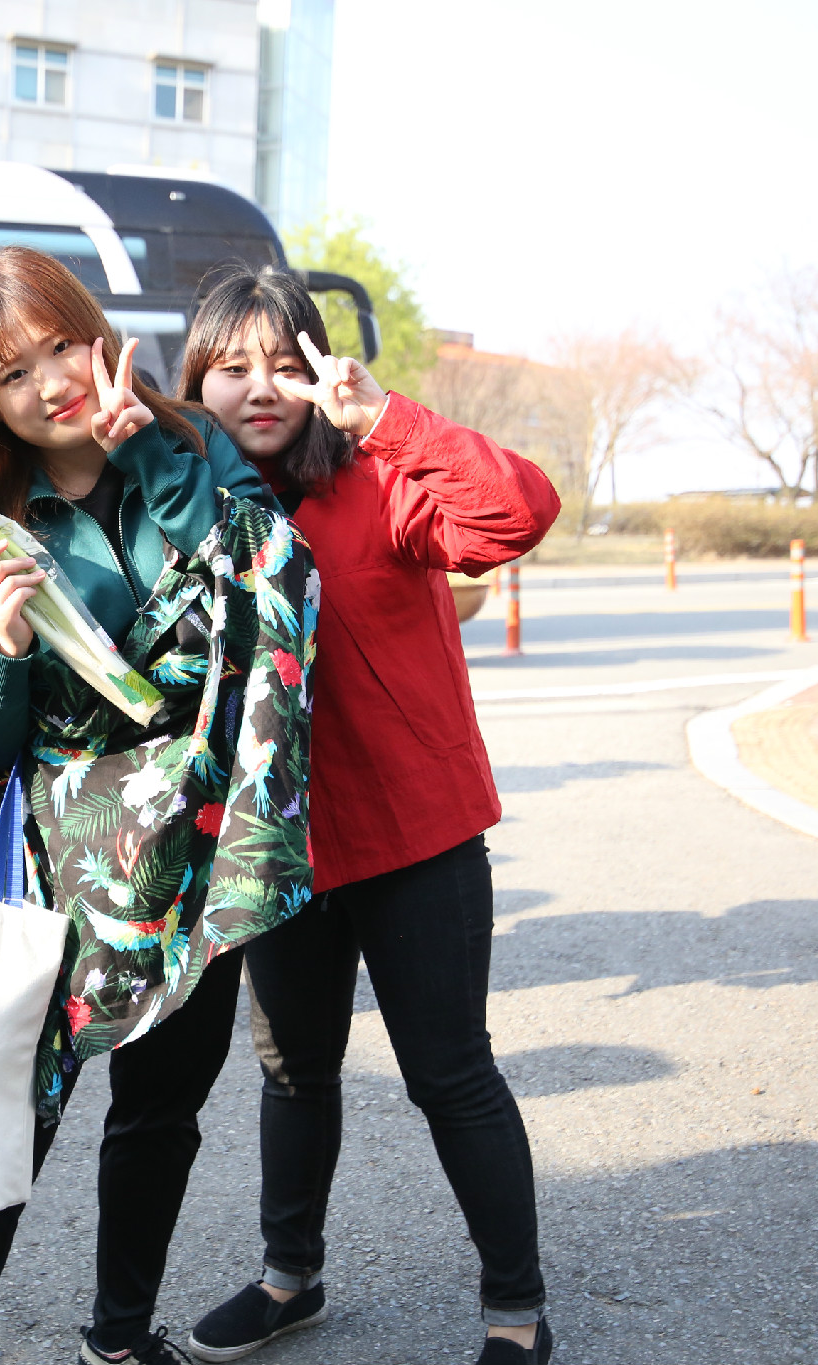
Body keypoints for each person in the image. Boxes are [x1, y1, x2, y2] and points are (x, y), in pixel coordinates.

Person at [0, 246, 314, 1365]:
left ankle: (118, 1339)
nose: (50, 385)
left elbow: (272, 587)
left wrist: (155, 467)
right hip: (56, 868)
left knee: (160, 1113)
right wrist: (4, 647)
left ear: (95, 333)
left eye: (57, 347)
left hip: (191, 856)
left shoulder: (190, 445)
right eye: (10, 374)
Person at [178, 268, 562, 1365]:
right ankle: (287, 1278)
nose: (258, 387)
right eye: (230, 367)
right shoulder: (185, 505)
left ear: (321, 369)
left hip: (414, 834)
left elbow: (518, 513)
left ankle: (517, 1312)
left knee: (450, 1073)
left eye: (281, 363)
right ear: (195, 380)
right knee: (293, 1072)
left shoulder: (381, 478)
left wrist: (386, 417)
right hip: (278, 847)